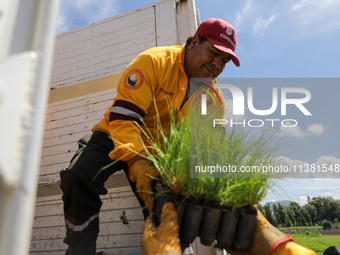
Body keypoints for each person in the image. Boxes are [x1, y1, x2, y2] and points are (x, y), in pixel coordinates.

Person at [60, 18, 236, 255]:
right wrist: (137, 161)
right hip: (115, 133)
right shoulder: (154, 61)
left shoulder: (213, 98)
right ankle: (81, 249)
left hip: (157, 152)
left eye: (224, 61)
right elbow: (124, 119)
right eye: (213, 53)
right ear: (195, 42)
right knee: (78, 175)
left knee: (163, 211)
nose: (217, 64)